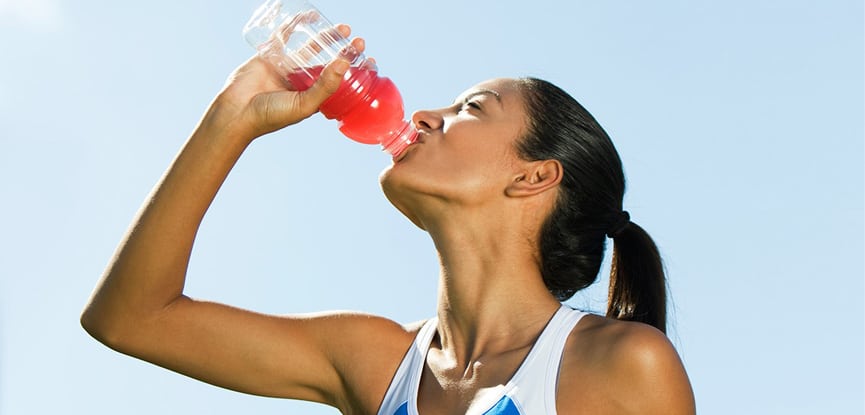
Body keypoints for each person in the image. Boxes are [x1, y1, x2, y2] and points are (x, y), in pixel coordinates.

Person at [81, 27, 696, 415]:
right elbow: (129, 318)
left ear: (534, 176)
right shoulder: (375, 361)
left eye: (470, 109)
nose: (426, 114)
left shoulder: (620, 367)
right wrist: (231, 120)